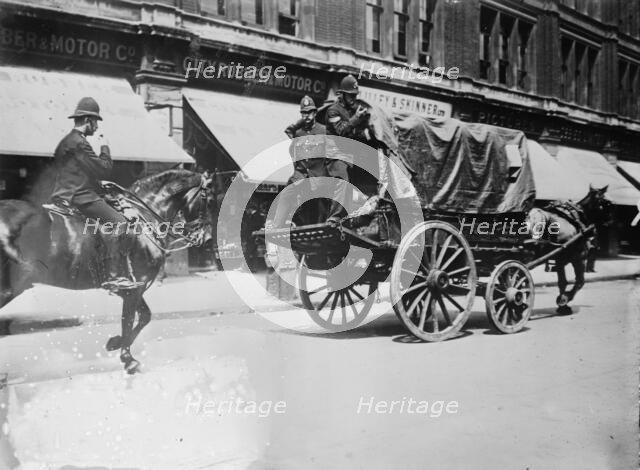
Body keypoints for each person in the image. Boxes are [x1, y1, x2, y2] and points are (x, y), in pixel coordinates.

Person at [50, 97, 141, 291]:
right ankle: (115, 276)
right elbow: (104, 168)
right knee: (120, 223)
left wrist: (98, 184)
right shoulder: (79, 143)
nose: (97, 126)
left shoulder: (65, 141)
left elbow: (75, 172)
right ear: (88, 120)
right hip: (80, 196)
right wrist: (105, 147)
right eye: (96, 121)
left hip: (66, 193)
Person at [271, 95, 327, 228]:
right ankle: (277, 225)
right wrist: (298, 124)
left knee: (319, 205)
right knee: (287, 192)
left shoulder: (323, 130)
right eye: (303, 113)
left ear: (314, 113)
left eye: (309, 112)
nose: (306, 116)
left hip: (318, 175)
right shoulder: (298, 133)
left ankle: (322, 228)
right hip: (301, 175)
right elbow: (289, 135)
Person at [324, 74, 370, 223]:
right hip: (335, 157)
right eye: (350, 95)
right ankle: (334, 218)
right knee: (342, 181)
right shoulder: (333, 111)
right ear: (342, 94)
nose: (353, 98)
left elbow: (357, 134)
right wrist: (356, 119)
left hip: (350, 157)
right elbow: (341, 131)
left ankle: (356, 219)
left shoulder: (353, 110)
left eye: (354, 95)